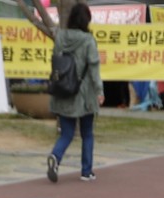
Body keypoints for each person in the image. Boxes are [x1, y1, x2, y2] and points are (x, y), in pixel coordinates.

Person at [47, 3, 102, 182]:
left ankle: (56, 156)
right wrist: (99, 90)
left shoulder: (61, 36)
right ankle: (86, 171)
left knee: (67, 133)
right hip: (84, 93)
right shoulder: (88, 40)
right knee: (87, 133)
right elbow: (93, 68)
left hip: (64, 90)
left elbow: (56, 61)